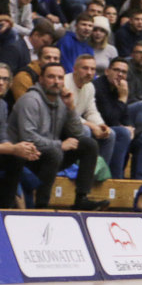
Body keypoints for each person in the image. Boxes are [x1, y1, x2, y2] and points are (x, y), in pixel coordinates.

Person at [9, 62, 109, 210]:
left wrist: (71, 108)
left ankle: (81, 199)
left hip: (46, 154)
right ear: (41, 79)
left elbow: (78, 133)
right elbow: (28, 138)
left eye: (60, 78)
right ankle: (41, 205)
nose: (56, 81)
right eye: (51, 77)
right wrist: (60, 145)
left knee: (88, 144)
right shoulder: (30, 100)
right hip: (21, 157)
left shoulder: (61, 101)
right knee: (55, 152)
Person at [62, 54, 122, 179]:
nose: (89, 72)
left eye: (93, 69)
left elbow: (91, 111)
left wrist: (101, 125)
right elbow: (65, 114)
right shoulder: (64, 83)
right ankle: (83, 174)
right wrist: (91, 126)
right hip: (62, 126)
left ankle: (98, 174)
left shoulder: (89, 86)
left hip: (77, 124)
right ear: (75, 69)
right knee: (86, 131)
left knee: (110, 134)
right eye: (85, 68)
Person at [0, 64, 42, 207]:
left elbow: (3, 136)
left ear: (10, 83)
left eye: (5, 79)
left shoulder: (2, 105)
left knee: (18, 157)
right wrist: (12, 149)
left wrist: (24, 148)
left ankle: (5, 210)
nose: (1, 83)